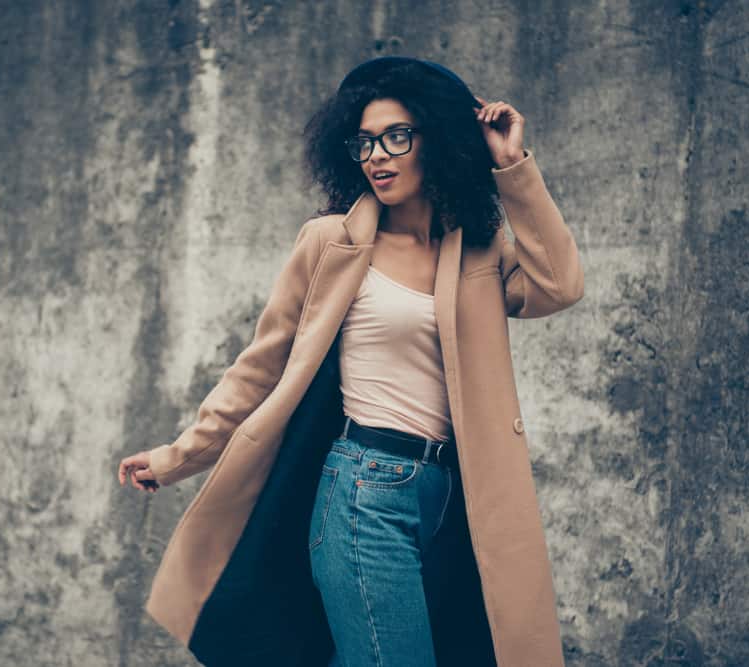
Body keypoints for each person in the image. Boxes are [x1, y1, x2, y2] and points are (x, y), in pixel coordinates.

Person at [119, 56, 584, 667]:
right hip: (364, 490)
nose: (378, 156)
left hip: (449, 500)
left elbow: (560, 284)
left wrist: (511, 165)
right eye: (365, 142)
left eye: (396, 137)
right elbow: (260, 368)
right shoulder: (330, 242)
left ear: (435, 142)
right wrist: (177, 456)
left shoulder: (475, 251)